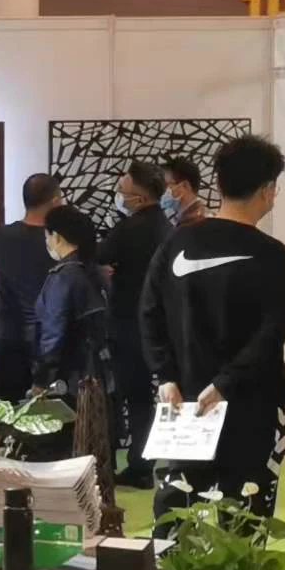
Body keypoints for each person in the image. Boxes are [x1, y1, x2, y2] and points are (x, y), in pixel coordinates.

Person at [139, 135, 285, 527]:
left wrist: (166, 376)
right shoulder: (274, 256)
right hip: (253, 406)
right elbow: (270, 335)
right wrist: (225, 384)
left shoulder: (176, 243)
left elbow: (149, 314)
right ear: (267, 189)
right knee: (246, 521)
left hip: (185, 401)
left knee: (174, 515)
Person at [99, 161, 173, 490]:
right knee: (148, 396)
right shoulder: (166, 228)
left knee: (135, 398)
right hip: (158, 325)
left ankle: (139, 464)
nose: (118, 196)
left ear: (139, 198)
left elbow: (100, 255)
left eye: (122, 191)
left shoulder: (130, 229)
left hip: (128, 325)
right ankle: (145, 461)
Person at [0, 174, 61, 401]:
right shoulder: (60, 243)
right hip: (50, 341)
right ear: (55, 201)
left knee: (10, 411)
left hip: (9, 336)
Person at [33, 205, 109, 398]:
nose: (47, 242)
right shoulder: (96, 272)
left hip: (69, 379)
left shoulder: (63, 277)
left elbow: (53, 333)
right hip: (100, 373)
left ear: (57, 237)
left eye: (47, 236)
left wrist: (42, 379)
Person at [162, 155, 210, 227]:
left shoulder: (201, 221)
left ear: (185, 185)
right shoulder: (177, 218)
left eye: (166, 185)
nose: (162, 190)